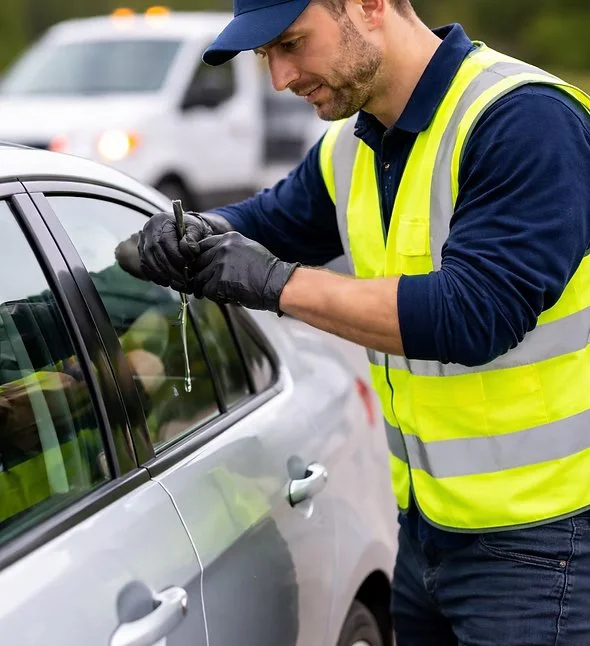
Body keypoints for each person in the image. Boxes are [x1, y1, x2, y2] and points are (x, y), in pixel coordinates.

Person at [131, 0, 590, 642]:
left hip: (544, 543)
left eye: (292, 44)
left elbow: (474, 314)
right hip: (428, 532)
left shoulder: (523, 119)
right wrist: (191, 236)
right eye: (267, 56)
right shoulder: (353, 143)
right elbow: (269, 222)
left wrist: (276, 283)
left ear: (369, 6)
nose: (279, 80)